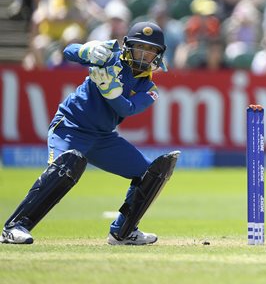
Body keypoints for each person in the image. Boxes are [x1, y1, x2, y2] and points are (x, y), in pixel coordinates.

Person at [1, 22, 180, 245]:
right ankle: (14, 227)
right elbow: (68, 52)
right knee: (66, 168)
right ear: (128, 46)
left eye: (151, 50)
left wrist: (110, 91)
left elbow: (126, 109)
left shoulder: (149, 89)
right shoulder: (110, 55)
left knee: (150, 174)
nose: (145, 54)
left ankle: (123, 232)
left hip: (103, 137)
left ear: (159, 54)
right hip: (71, 127)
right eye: (140, 47)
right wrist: (89, 49)